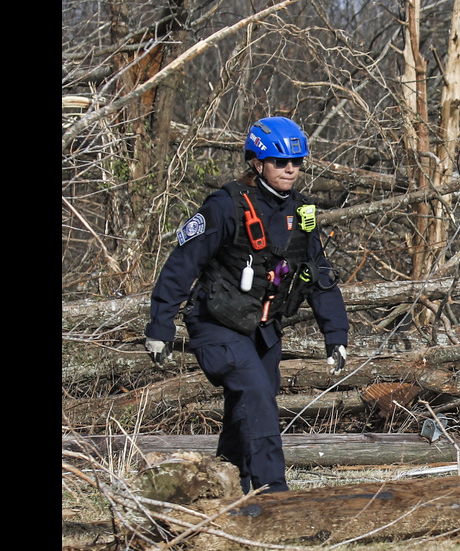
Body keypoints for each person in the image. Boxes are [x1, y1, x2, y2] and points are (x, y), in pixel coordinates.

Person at [144, 116, 350, 495]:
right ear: (257, 162)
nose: (291, 169)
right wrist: (160, 326)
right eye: (280, 162)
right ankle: (274, 494)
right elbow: (181, 264)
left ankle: (222, 483)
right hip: (216, 324)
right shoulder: (225, 207)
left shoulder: (301, 214)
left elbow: (318, 275)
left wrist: (335, 334)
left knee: (251, 405)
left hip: (264, 329)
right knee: (256, 395)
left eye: (297, 162)